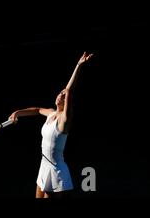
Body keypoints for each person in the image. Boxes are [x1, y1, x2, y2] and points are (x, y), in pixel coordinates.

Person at [9, 52, 93, 198]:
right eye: (59, 93)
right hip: (44, 165)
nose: (59, 95)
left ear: (66, 102)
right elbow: (36, 110)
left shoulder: (63, 120)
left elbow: (69, 90)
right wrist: (17, 112)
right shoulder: (51, 113)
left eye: (63, 96)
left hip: (56, 171)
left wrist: (69, 90)